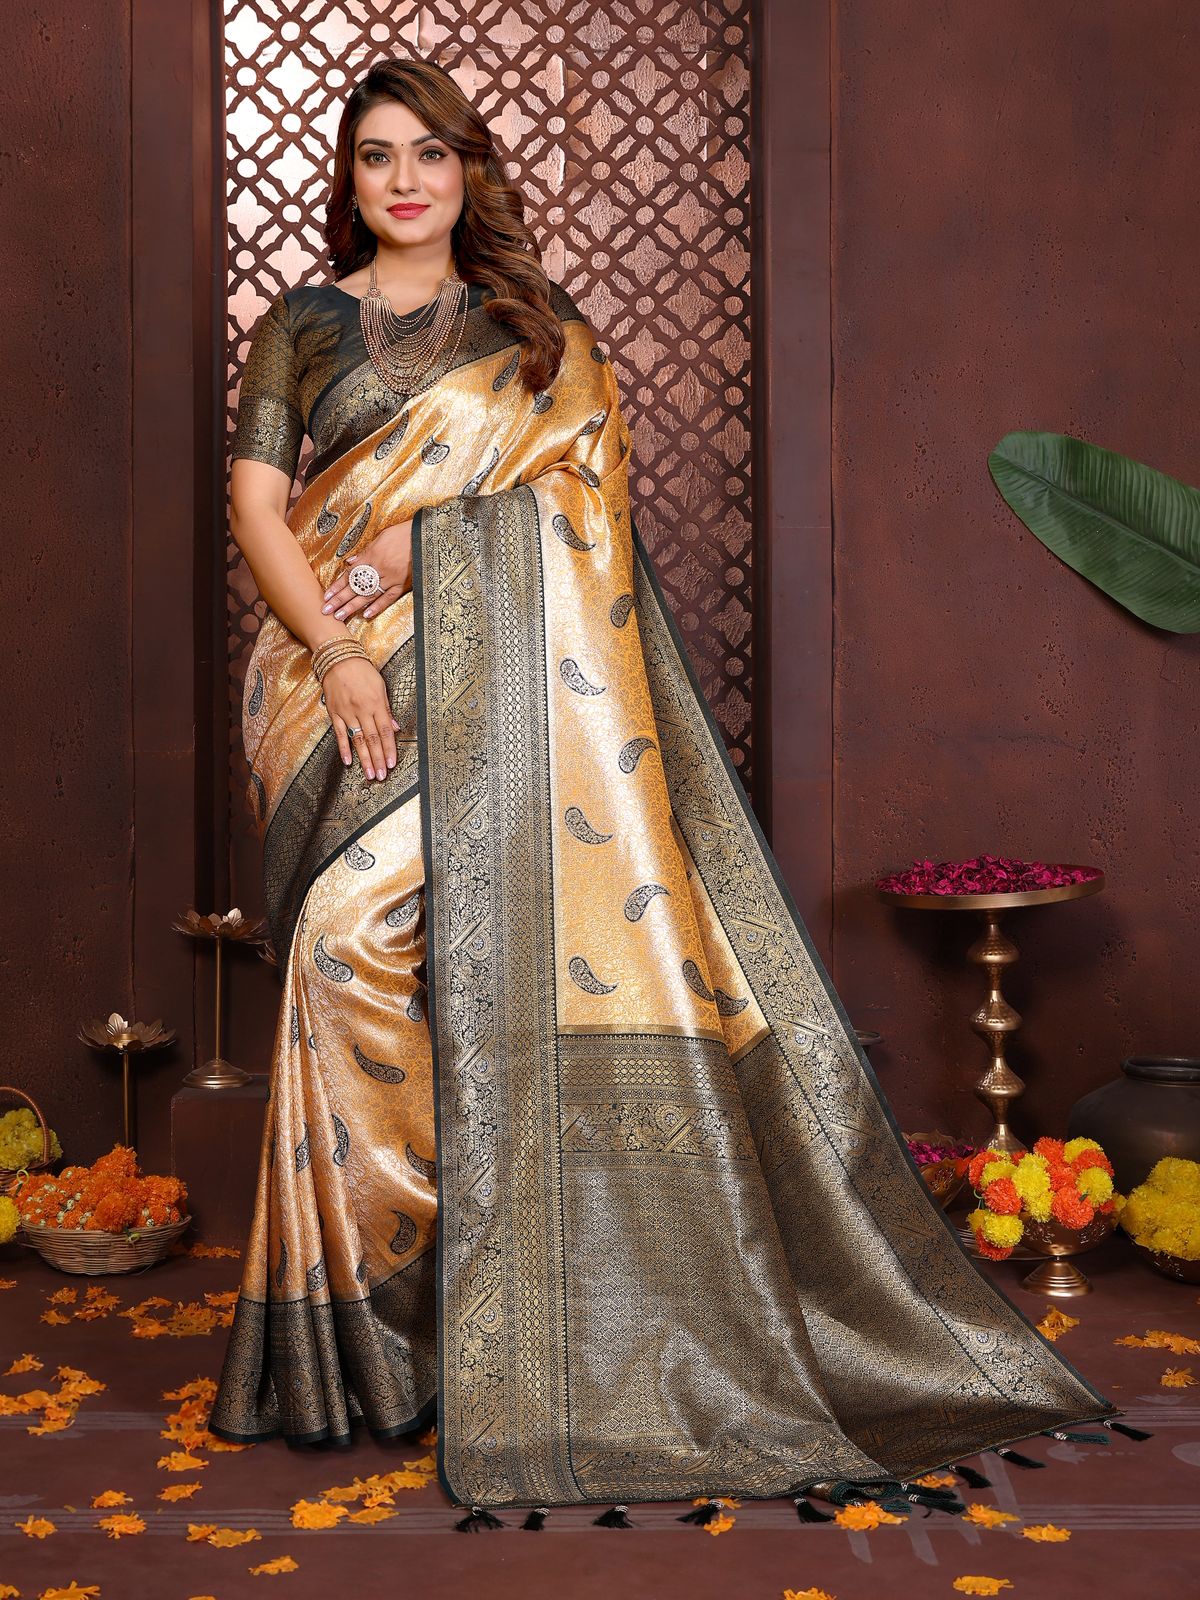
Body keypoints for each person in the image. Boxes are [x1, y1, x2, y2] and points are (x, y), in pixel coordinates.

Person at [210, 56, 1131, 1526]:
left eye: (430, 155)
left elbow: (583, 511)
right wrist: (336, 647)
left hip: (506, 683)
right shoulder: (306, 325)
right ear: (352, 175)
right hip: (334, 681)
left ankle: (492, 1308)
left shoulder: (538, 339)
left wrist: (418, 553)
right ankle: (376, 1338)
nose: (404, 181)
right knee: (339, 954)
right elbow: (260, 502)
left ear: (468, 171)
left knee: (466, 960)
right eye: (377, 154)